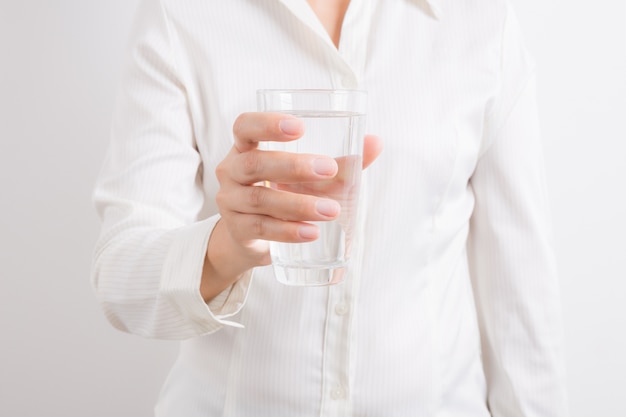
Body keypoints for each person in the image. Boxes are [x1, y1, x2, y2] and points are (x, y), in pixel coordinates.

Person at [91, 0, 569, 416]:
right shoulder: (182, 13)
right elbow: (120, 283)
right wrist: (227, 246)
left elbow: (519, 292)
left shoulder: (479, 19)